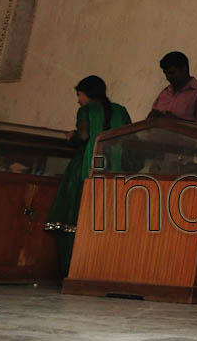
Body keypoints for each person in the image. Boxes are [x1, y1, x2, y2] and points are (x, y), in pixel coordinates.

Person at [44, 75, 131, 277]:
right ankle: (99, 272)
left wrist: (71, 136)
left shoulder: (86, 110)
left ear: (88, 94)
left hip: (86, 170)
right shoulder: (121, 111)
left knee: (74, 220)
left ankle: (72, 272)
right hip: (113, 174)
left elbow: (83, 136)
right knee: (104, 222)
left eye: (79, 95)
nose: (78, 100)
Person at [148, 50, 197, 125]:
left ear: (184, 69)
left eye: (172, 73)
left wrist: (176, 122)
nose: (168, 77)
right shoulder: (163, 94)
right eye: (165, 73)